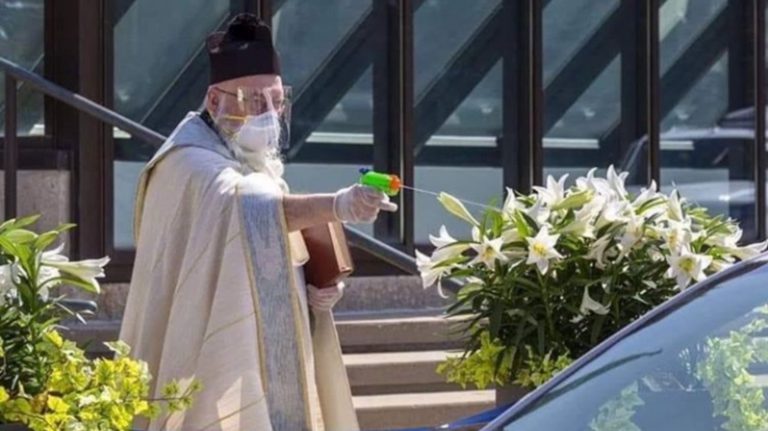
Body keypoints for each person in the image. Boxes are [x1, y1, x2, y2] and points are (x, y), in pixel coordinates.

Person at [119, 13, 396, 431]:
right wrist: (340, 205)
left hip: (266, 343)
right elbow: (250, 207)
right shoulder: (187, 162)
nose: (269, 114)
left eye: (277, 100)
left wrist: (314, 288)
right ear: (215, 101)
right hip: (204, 337)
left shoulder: (251, 161)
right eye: (253, 101)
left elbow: (275, 237)